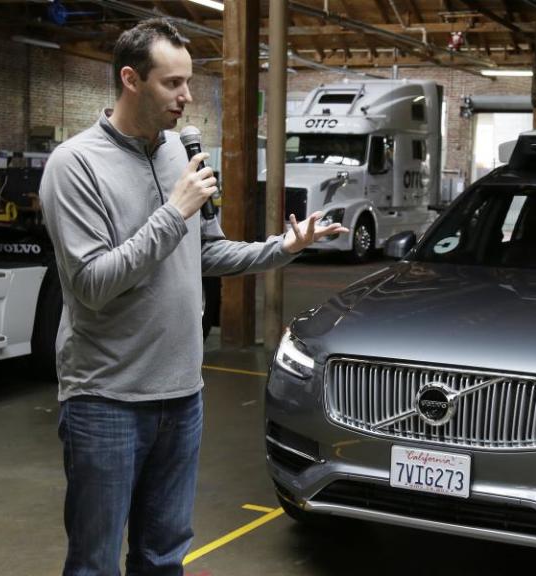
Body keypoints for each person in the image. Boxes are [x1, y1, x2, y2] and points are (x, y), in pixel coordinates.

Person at [39, 18, 348, 576]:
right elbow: (91, 283)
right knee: (95, 562)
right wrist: (173, 211)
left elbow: (206, 253)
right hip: (107, 399)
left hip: (182, 394)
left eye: (188, 82)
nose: (186, 97)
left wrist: (284, 247)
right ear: (131, 80)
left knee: (164, 555)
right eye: (172, 83)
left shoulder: (178, 157)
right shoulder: (75, 165)